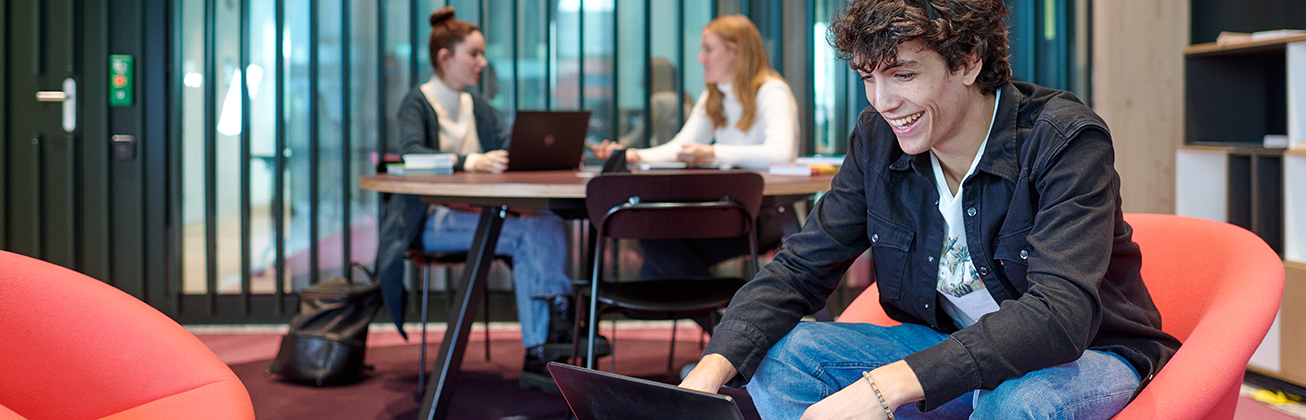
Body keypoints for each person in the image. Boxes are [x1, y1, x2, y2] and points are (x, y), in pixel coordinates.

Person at [678, 1, 1182, 419]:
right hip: (952, 345)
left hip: (1085, 353)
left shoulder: (1063, 140)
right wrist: (705, 376)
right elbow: (799, 269)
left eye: (902, 75)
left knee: (1019, 399)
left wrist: (888, 386)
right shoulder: (878, 140)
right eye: (868, 79)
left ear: (967, 62)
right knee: (781, 359)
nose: (883, 102)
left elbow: (1058, 318)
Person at [374, 6, 605, 393]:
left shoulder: (477, 105)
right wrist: (468, 161)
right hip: (430, 221)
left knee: (544, 221)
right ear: (445, 58)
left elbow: (507, 151)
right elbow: (411, 154)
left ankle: (552, 333)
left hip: (479, 215)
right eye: (474, 54)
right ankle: (547, 341)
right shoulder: (417, 102)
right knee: (527, 231)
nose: (483, 62)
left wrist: (551, 156)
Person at [594, 15, 799, 283]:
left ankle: (722, 317)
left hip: (760, 217)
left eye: (708, 49)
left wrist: (713, 153)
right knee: (654, 243)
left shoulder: (772, 92)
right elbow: (682, 146)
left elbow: (782, 153)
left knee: (658, 253)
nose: (701, 59)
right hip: (723, 212)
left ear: (736, 52)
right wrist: (634, 156)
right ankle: (726, 318)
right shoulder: (715, 95)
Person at [616, 57, 695, 148]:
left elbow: (635, 139)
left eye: (645, 78)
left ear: (656, 79)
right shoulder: (681, 99)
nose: (641, 84)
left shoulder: (660, 101)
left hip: (668, 157)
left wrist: (611, 146)